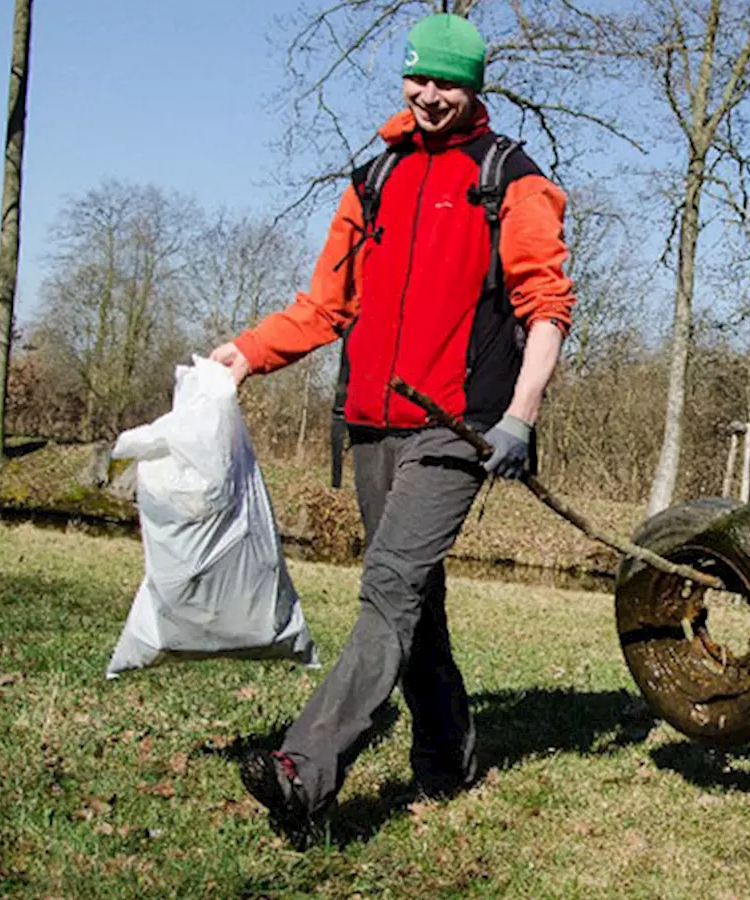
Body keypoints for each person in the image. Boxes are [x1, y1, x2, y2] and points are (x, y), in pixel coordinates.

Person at [209, 13, 575, 837]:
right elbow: (325, 306)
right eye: (419, 79)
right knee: (416, 598)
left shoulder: (511, 178)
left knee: (389, 589)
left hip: (462, 424)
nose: (431, 95)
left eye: (448, 82)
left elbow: (546, 307)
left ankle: (306, 768)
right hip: (374, 423)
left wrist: (520, 416)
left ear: (474, 87)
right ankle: (447, 757)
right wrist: (245, 353)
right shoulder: (373, 178)